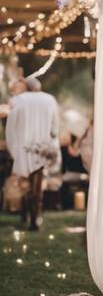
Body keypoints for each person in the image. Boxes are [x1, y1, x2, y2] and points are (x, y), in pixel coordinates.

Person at [5, 77, 60, 229]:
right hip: (42, 149)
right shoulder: (50, 99)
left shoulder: (18, 100)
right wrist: (52, 145)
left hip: (23, 148)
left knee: (24, 183)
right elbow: (55, 127)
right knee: (37, 184)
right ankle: (35, 217)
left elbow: (11, 126)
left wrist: (13, 147)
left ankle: (26, 215)